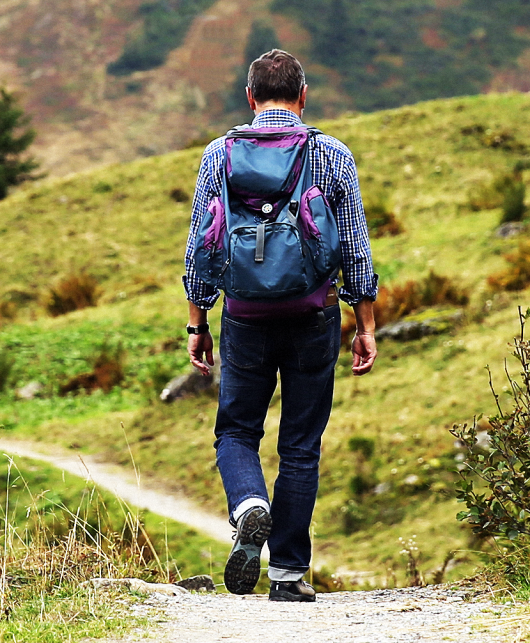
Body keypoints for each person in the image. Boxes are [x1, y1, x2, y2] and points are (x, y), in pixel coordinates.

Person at [182, 49, 378, 602]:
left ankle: (249, 505)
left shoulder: (219, 155)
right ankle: (288, 575)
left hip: (243, 316)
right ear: (303, 95)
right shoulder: (331, 155)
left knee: (237, 430)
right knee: (300, 444)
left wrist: (197, 322)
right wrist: (365, 324)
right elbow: (356, 250)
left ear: (250, 97)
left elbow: (202, 244)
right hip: (314, 314)